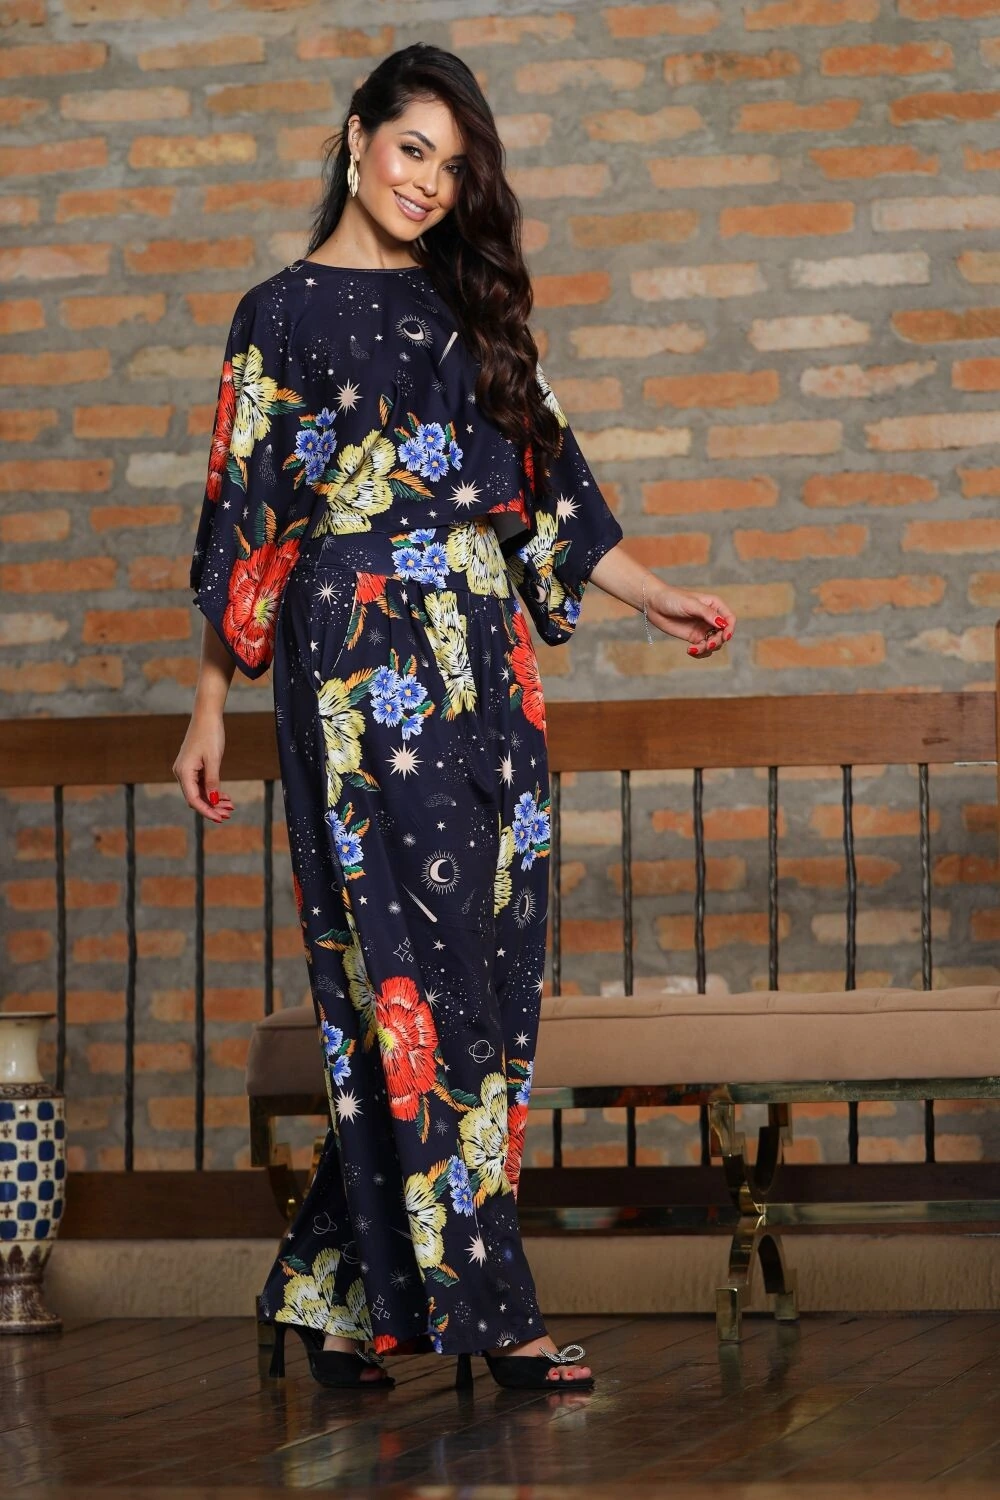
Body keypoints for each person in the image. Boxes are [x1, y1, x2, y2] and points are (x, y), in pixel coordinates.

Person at [173, 43, 736, 1394]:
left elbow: (553, 492)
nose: (428, 182)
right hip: (356, 664)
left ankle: (333, 1292)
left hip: (489, 663)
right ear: (358, 136)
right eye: (412, 148)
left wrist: (655, 594)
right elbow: (242, 526)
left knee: (474, 979)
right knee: (422, 986)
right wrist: (205, 710)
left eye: (453, 165)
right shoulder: (278, 316)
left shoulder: (468, 308)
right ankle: (496, 1317)